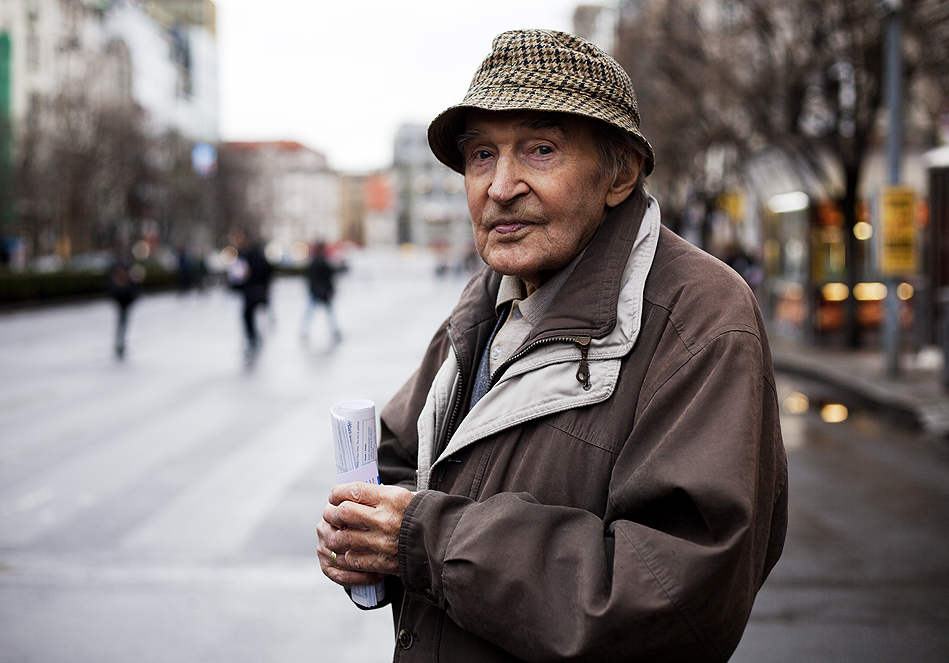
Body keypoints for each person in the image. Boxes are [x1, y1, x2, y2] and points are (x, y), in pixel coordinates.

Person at [317, 29, 788, 662]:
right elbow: (403, 453)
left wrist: (420, 537)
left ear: (617, 173)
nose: (499, 186)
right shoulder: (491, 294)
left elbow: (671, 596)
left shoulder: (700, 315)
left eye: (539, 150)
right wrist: (367, 524)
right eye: (481, 155)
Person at [300, 242, 342, 344]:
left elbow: (309, 278)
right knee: (329, 312)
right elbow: (329, 279)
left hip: (315, 292)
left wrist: (311, 289)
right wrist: (331, 291)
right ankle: (334, 330)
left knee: (310, 312)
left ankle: (304, 330)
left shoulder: (313, 263)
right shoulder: (324, 262)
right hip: (323, 292)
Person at [106, 256, 139, 360]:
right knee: (122, 324)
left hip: (125, 302)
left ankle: (120, 343)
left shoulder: (124, 269)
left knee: (122, 324)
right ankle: (119, 344)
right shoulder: (119, 271)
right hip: (122, 302)